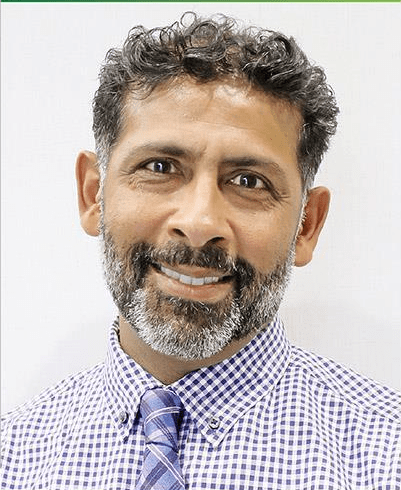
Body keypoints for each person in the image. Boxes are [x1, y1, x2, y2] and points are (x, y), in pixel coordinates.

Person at [1, 12, 399, 490]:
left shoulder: (386, 457)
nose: (198, 224)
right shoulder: (11, 459)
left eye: (248, 181)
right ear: (93, 195)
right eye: (160, 167)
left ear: (306, 226)